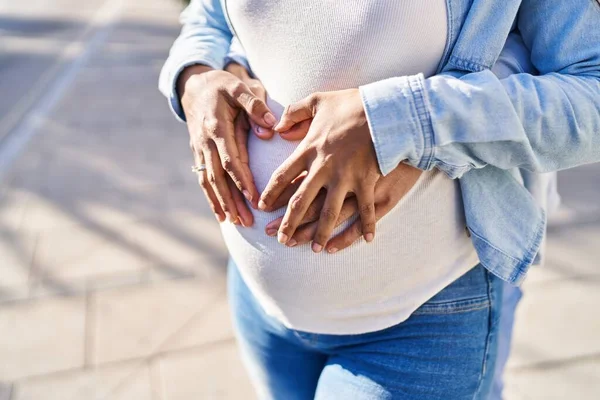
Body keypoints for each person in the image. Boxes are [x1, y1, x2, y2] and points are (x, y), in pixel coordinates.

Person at [159, 1, 600, 399]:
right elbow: (210, 16)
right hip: (264, 312)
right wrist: (194, 74)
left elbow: (590, 92)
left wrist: (397, 121)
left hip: (420, 319)